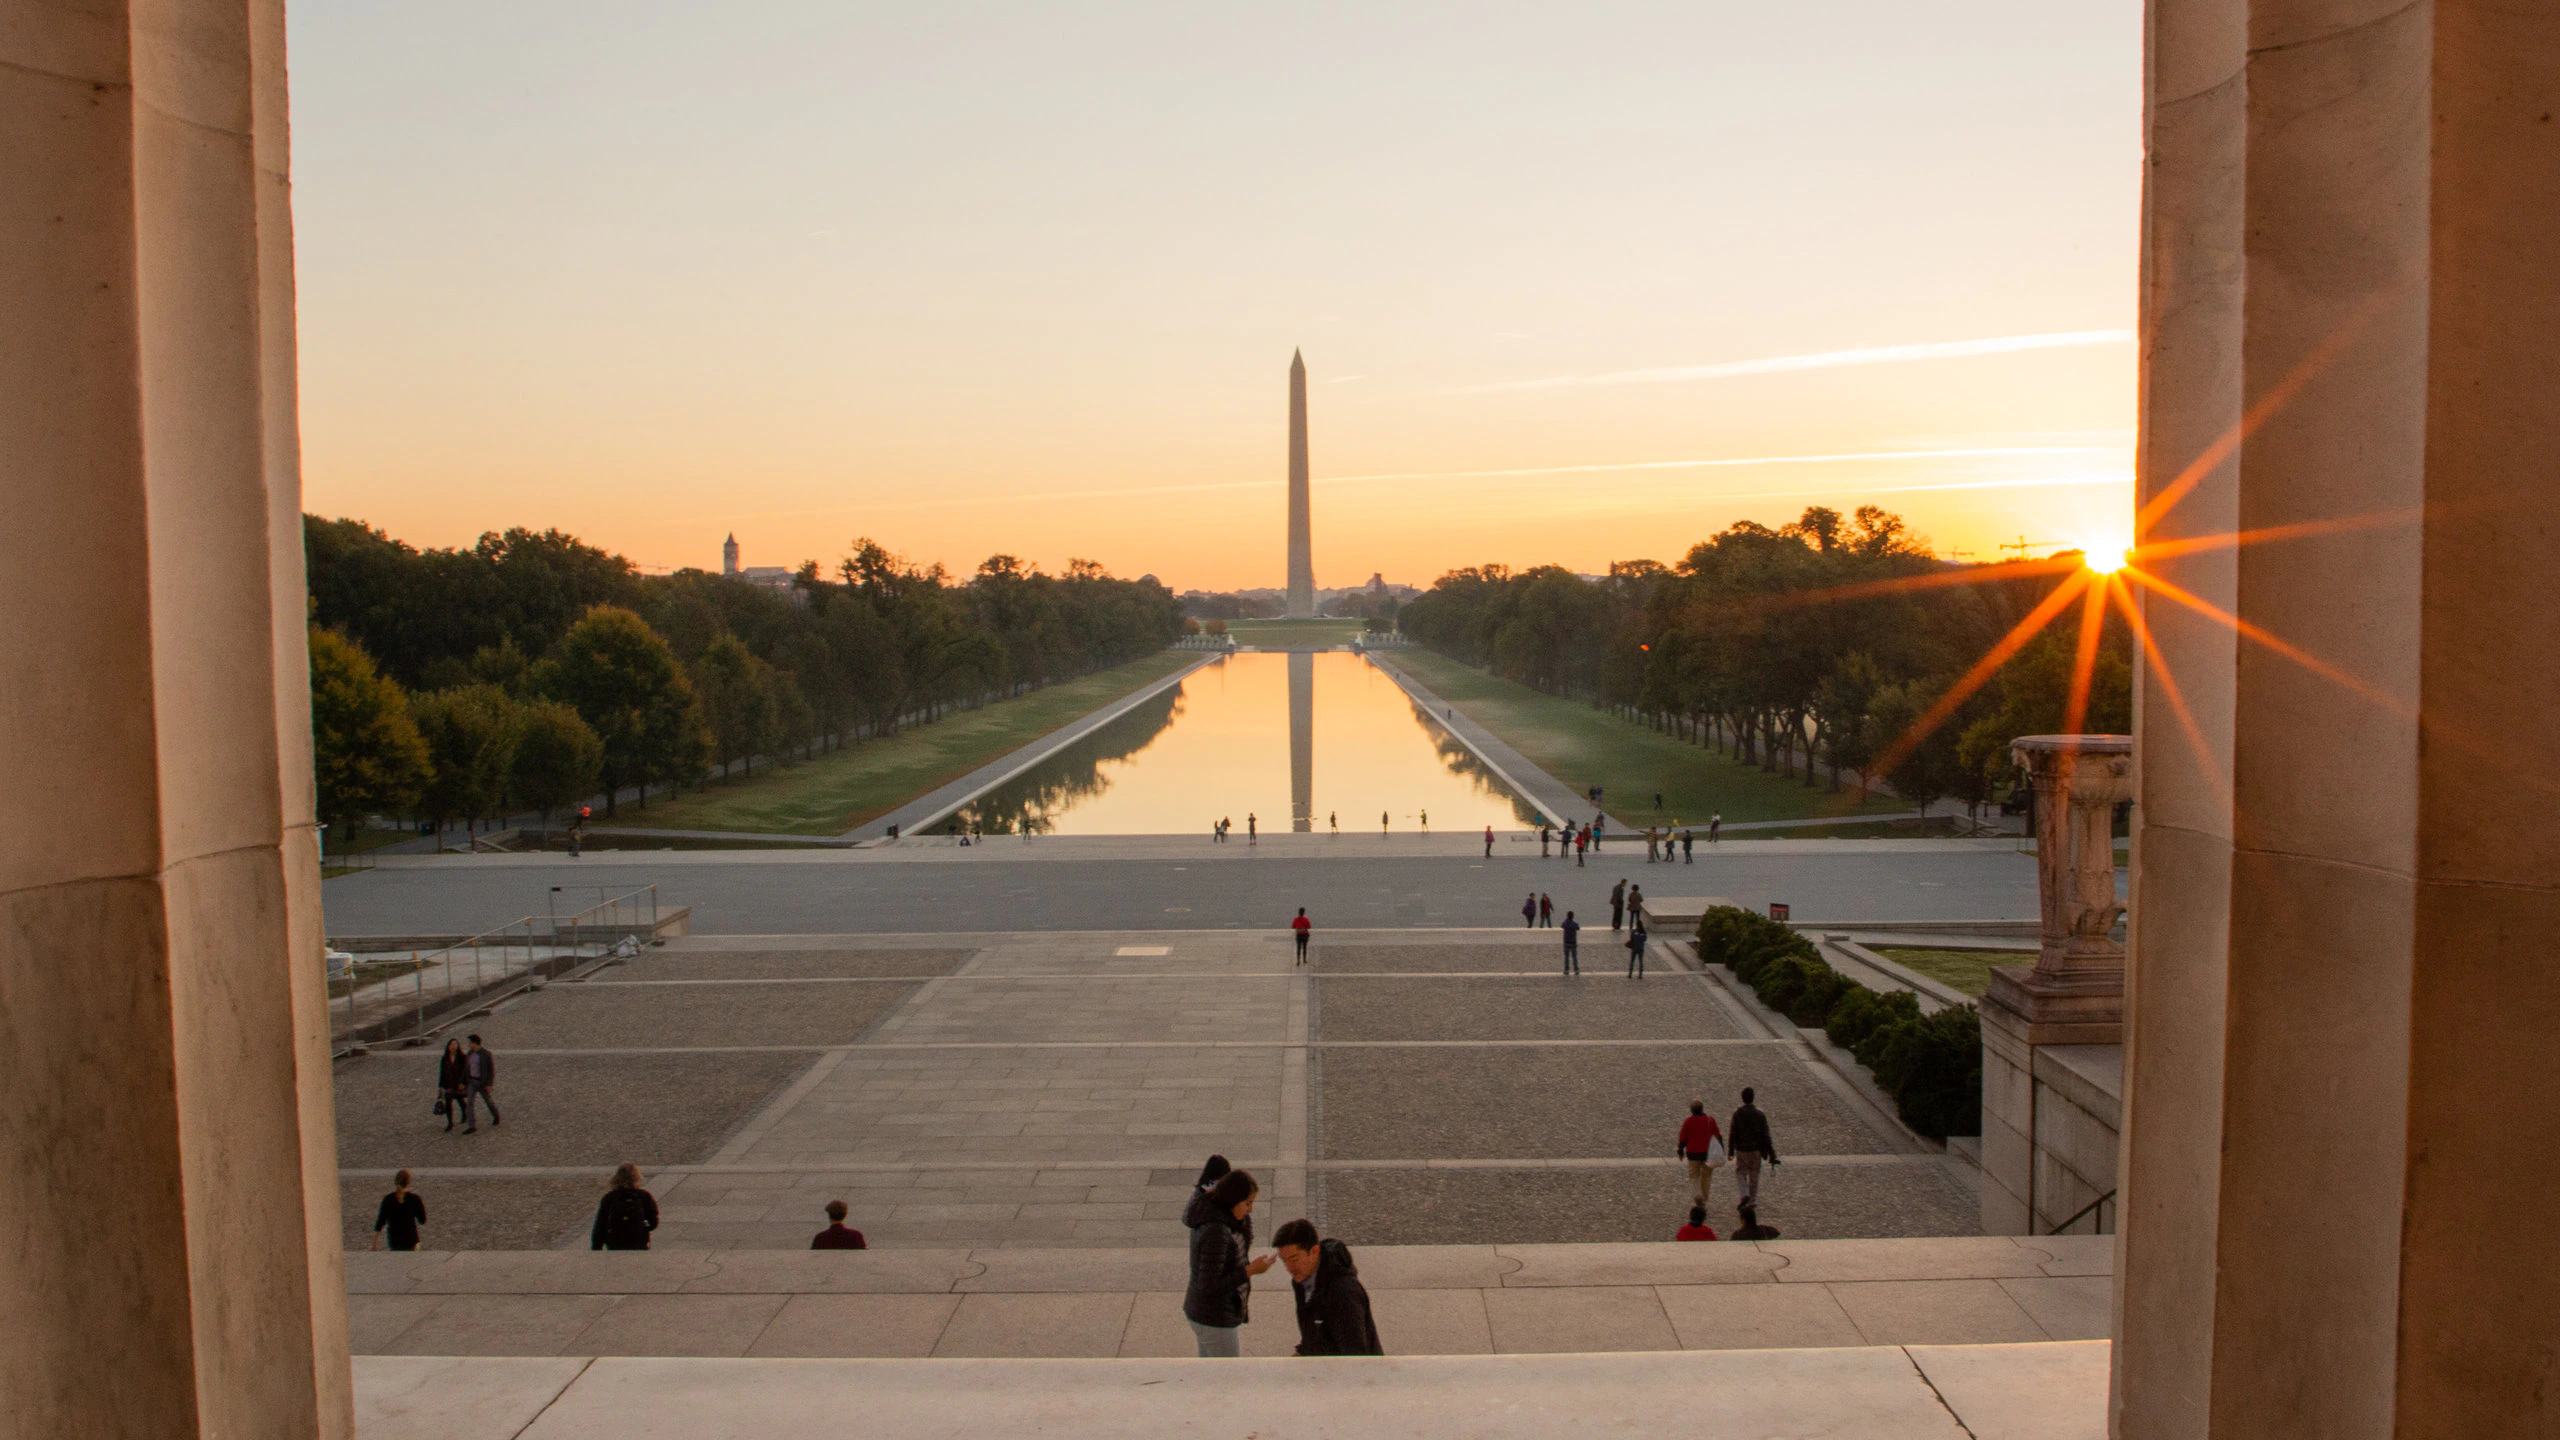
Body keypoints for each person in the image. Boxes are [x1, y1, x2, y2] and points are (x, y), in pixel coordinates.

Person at [1183, 1169, 1271, 1357]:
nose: (1251, 1209)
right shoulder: (1216, 1232)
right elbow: (1210, 1285)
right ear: (1232, 1200)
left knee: (1211, 1374)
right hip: (1213, 1318)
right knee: (1228, 1376)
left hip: (1208, 1314)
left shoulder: (1225, 1220)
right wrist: (1249, 1271)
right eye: (1247, 1203)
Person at [1272, 1218, 1384, 1356]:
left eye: (1294, 1259)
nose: (1289, 1268)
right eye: (1284, 1261)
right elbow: (1313, 1330)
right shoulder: (1301, 1279)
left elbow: (1356, 1353)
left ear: (1314, 1251)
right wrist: (1303, 1351)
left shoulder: (1343, 1292)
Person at [591, 1163, 659, 1250]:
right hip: (638, 1241)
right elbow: (653, 1221)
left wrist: (596, 1247)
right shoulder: (644, 1196)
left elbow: (601, 1224)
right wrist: (643, 1228)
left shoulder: (610, 1197)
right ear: (637, 1177)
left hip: (615, 1241)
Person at [1730, 1087, 1780, 1204]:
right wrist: (1771, 1153)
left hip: (1742, 1149)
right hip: (1756, 1149)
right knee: (1754, 1174)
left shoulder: (1737, 1114)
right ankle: (1752, 1200)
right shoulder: (1759, 1115)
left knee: (1741, 1172)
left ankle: (1744, 1193)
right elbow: (1766, 1135)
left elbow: (1733, 1132)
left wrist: (1731, 1150)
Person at [1675, 1100, 1725, 1206]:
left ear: (1691, 1110)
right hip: (1707, 1154)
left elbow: (1683, 1138)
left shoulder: (1688, 1121)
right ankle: (1704, 1198)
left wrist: (1680, 1150)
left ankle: (1697, 1196)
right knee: (1706, 1177)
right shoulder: (1710, 1120)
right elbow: (1718, 1135)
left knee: (1693, 1176)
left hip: (1693, 1154)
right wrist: (1722, 1149)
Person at [372, 1171, 426, 1252]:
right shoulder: (415, 1199)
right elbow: (422, 1220)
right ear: (408, 1182)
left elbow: (379, 1223)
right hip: (411, 1240)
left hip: (394, 1241)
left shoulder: (388, 1199)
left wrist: (374, 1245)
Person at [460, 1033, 500, 1132]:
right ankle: (472, 1125)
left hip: (482, 1082)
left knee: (488, 1101)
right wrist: (462, 1081)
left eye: (470, 1042)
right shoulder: (470, 1054)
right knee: (469, 1103)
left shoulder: (486, 1054)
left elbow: (490, 1070)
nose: (468, 1045)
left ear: (475, 1043)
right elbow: (466, 1069)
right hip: (472, 1081)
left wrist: (489, 1083)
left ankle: (496, 1115)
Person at [436, 1038, 468, 1132]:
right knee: (448, 1101)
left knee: (459, 1099)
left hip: (459, 1085)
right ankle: (450, 1122)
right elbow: (442, 1072)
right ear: (448, 1046)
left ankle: (464, 1112)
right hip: (449, 1085)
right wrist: (441, 1086)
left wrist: (463, 1083)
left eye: (455, 1044)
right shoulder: (445, 1058)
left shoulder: (462, 1057)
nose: (454, 1046)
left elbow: (466, 1071)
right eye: (452, 1044)